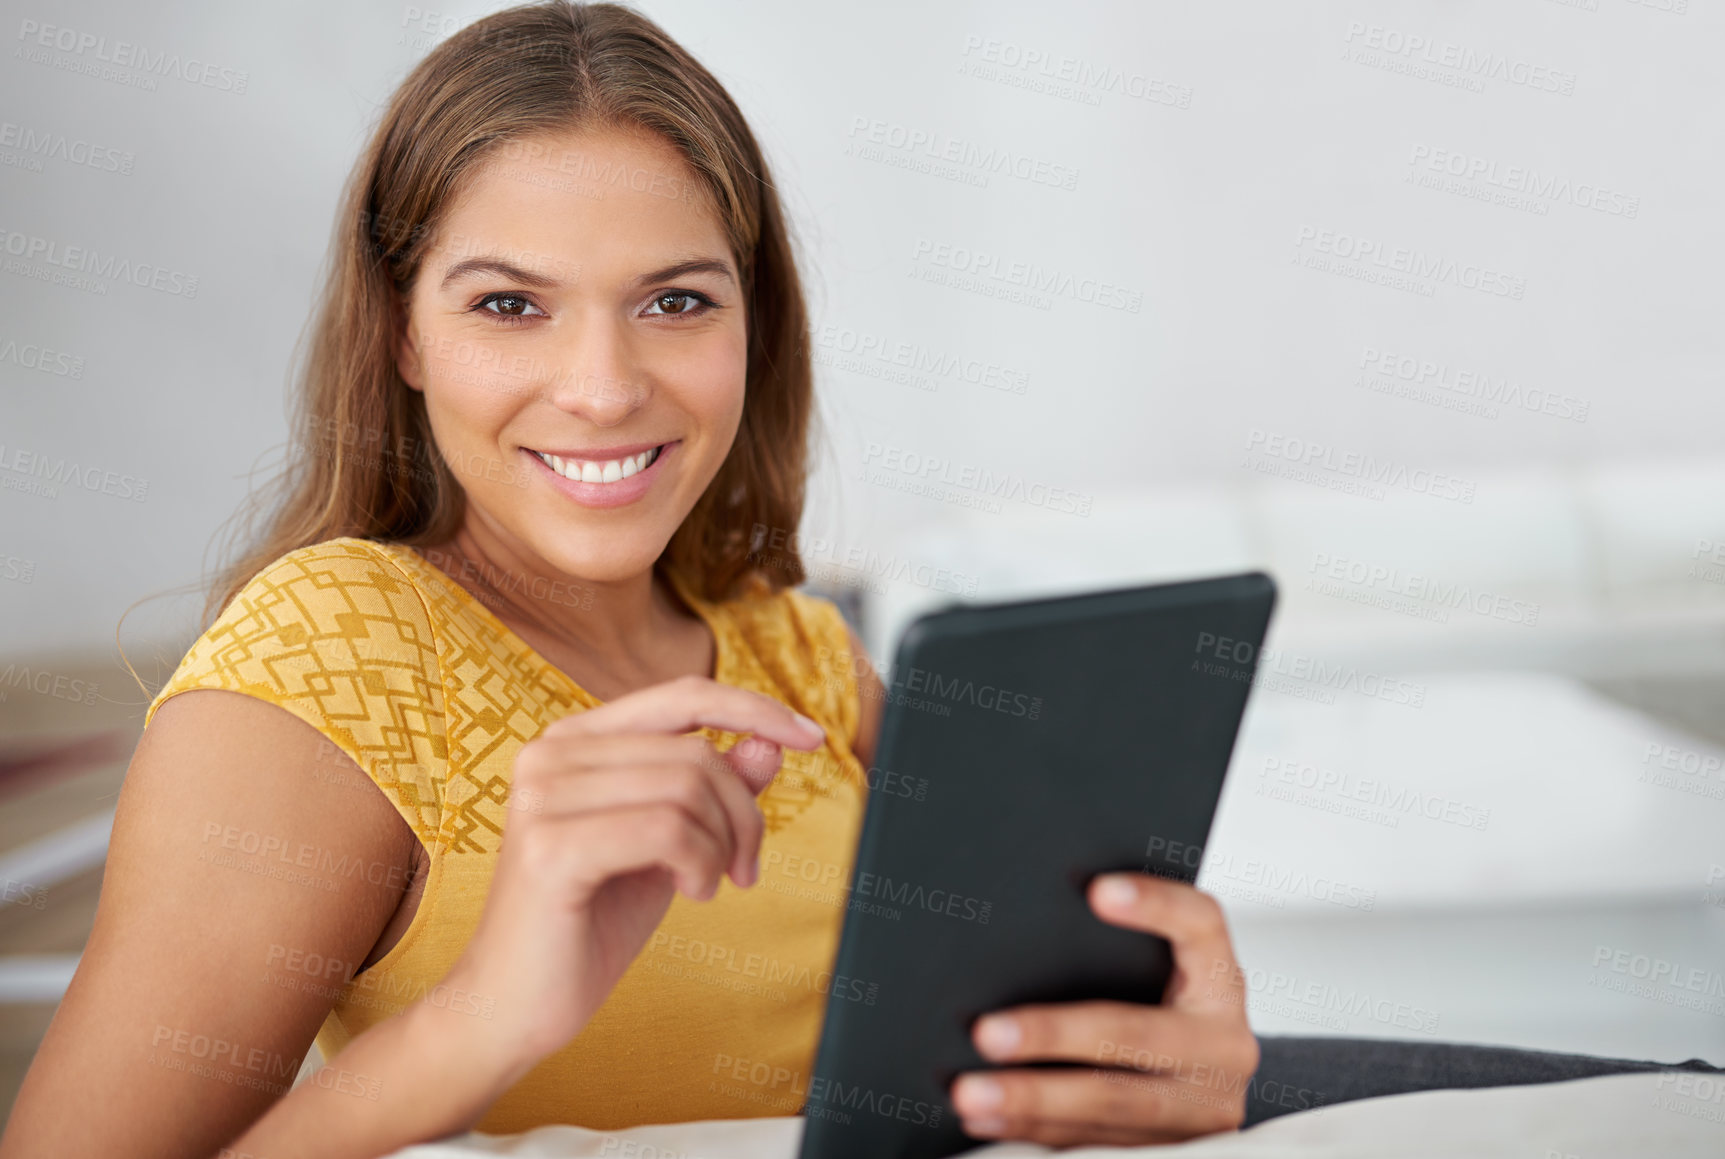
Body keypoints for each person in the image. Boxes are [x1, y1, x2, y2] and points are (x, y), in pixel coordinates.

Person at [4, 5, 1716, 1157]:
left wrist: (1177, 1054)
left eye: (676, 300)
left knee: (1666, 1103)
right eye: (510, 304)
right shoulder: (321, 663)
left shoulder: (786, 643)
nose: (602, 388)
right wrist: (491, 1016)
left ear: (755, 323)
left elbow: (954, 1038)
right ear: (400, 337)